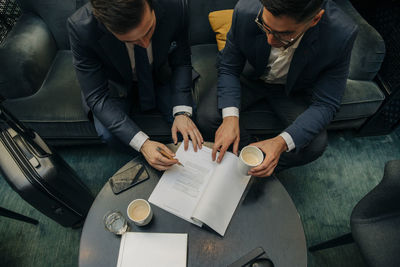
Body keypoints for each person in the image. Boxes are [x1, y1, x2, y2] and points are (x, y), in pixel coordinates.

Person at [198, 0, 358, 177]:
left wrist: (280, 143)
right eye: (265, 26)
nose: (270, 40)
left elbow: (326, 104)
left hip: (293, 90)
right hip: (250, 77)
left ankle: (262, 167)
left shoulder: (341, 34)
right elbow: (228, 66)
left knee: (315, 145)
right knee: (208, 117)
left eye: (284, 34)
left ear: (315, 19)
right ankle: (252, 160)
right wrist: (229, 119)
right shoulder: (245, 11)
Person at [67, 0, 203, 171]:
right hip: (115, 84)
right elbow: (96, 96)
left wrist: (182, 112)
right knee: (110, 135)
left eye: (149, 30)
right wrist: (143, 144)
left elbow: (182, 61)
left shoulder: (175, 5)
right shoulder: (81, 28)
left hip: (160, 73)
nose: (145, 43)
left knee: (190, 120)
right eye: (132, 41)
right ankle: (148, 161)